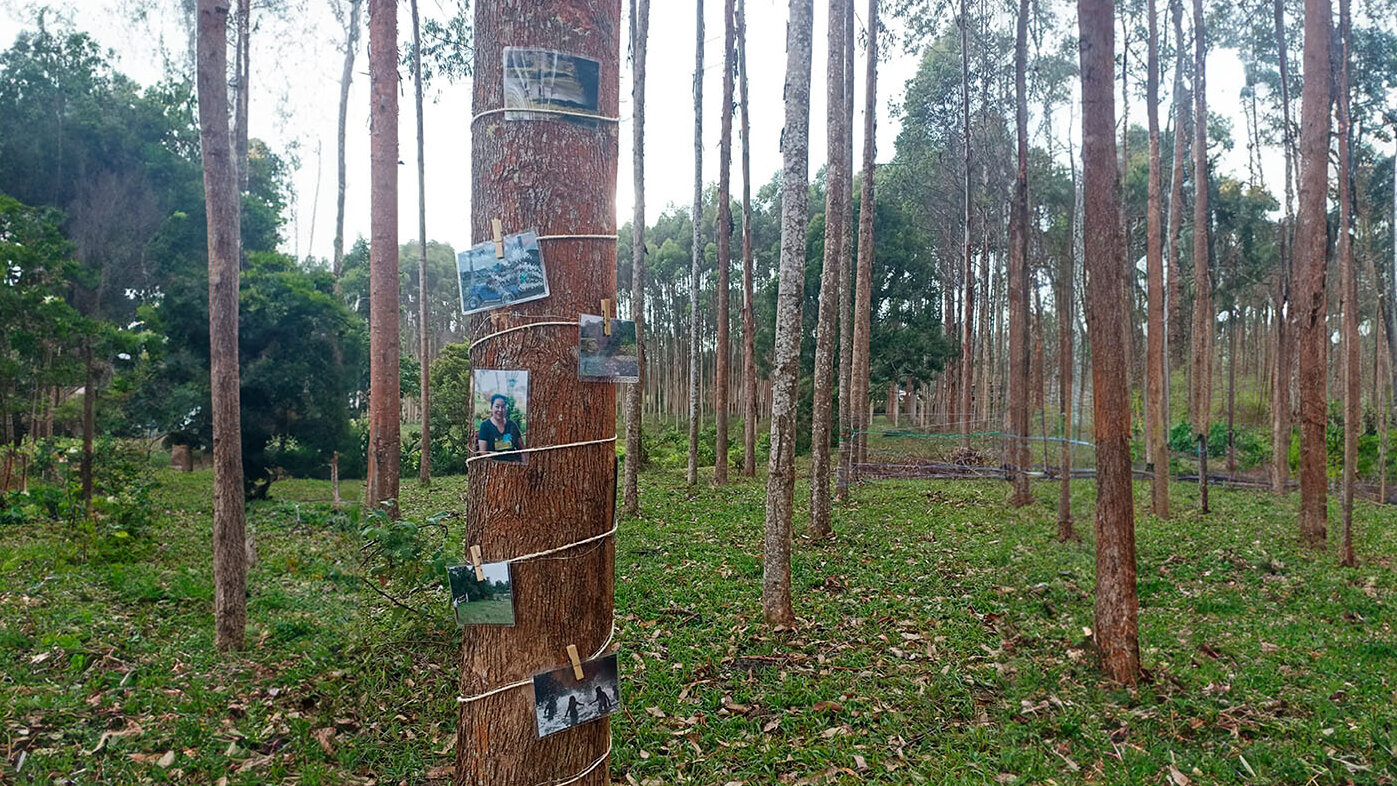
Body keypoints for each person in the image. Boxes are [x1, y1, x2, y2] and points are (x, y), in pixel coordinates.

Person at [477, 393, 524, 462]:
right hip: (494, 466)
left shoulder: (512, 425)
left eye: (503, 407)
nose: (500, 410)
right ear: (491, 407)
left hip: (512, 465)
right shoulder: (485, 426)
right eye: (497, 406)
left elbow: (522, 448)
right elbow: (483, 453)